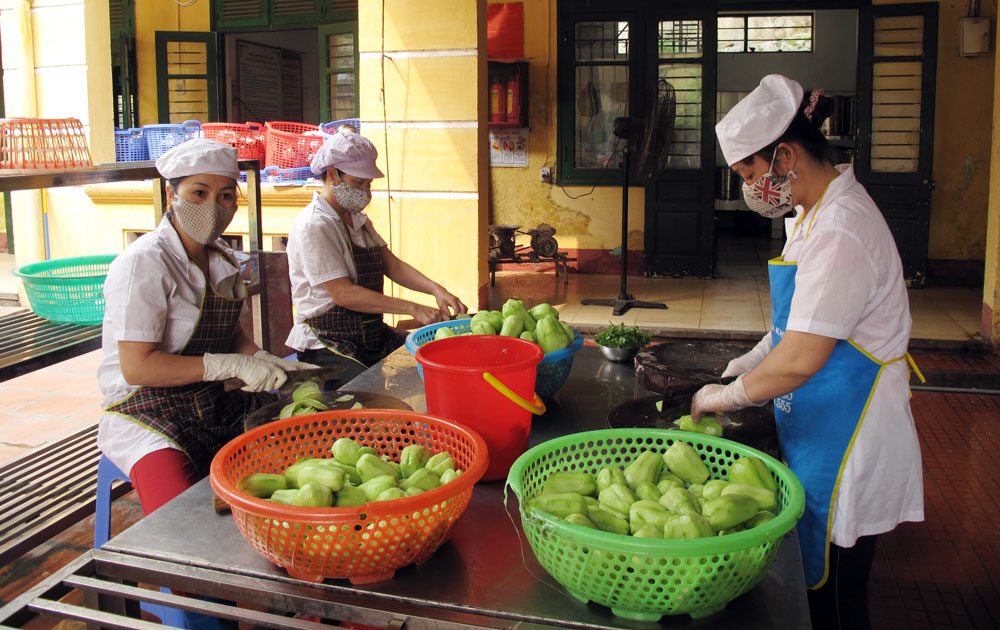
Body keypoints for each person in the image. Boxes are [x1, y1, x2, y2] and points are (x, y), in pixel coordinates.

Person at [691, 75, 924, 630]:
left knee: (838, 601)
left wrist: (725, 397)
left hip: (853, 430)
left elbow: (800, 359)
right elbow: (799, 326)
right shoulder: (811, 213)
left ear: (786, 156)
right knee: (816, 586)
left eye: (749, 173)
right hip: (823, 416)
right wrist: (751, 361)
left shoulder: (842, 228)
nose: (750, 189)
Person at [97, 139, 316, 516]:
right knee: (180, 517)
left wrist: (263, 359)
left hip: (211, 399)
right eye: (199, 193)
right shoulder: (144, 264)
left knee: (303, 451)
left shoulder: (222, 258)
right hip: (147, 409)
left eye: (226, 196)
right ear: (172, 195)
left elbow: (232, 335)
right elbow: (137, 367)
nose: (214, 206)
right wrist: (229, 365)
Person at [284, 132, 467, 381]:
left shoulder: (357, 219)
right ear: (333, 175)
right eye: (358, 183)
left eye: (368, 184)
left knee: (435, 362)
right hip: (327, 342)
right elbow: (343, 294)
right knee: (370, 392)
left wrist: (436, 290)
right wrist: (412, 308)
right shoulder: (315, 225)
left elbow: (392, 266)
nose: (365, 191)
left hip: (369, 334)